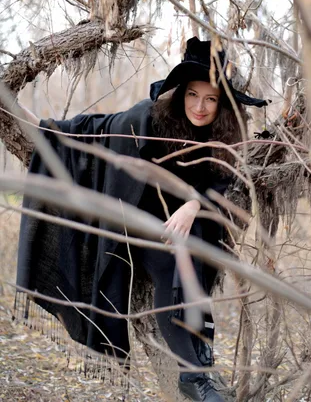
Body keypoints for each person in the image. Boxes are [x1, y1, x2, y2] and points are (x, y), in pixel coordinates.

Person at [16, 37, 268, 402]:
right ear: (180, 94)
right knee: (172, 259)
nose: (200, 106)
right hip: (136, 219)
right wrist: (34, 122)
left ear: (221, 104)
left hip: (186, 223)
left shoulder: (224, 138)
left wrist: (194, 204)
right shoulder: (150, 118)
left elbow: (223, 182)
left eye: (210, 98)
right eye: (193, 95)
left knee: (194, 242)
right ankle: (193, 376)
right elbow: (92, 130)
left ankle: (201, 358)